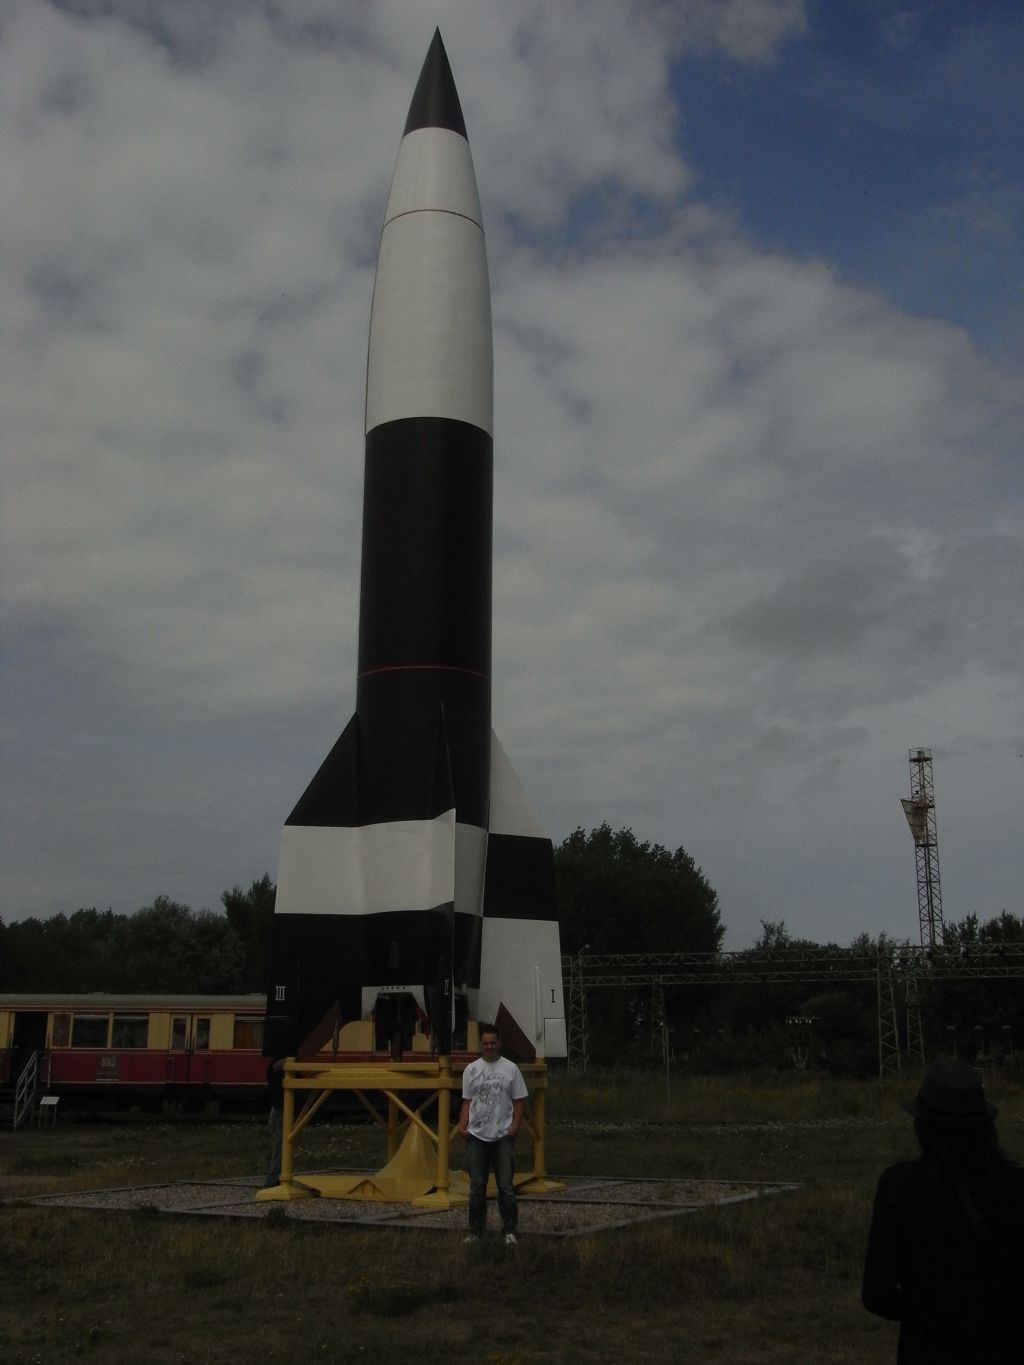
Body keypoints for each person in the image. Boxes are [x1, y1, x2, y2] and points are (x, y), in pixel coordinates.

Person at [862, 1057, 1024, 1364]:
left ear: (923, 1126)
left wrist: (928, 1311)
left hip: (926, 1350)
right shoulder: (1016, 1187)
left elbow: (877, 1293)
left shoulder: (899, 1186)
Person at [458, 1023, 528, 1244]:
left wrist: (515, 1126)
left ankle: (510, 1230)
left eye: (493, 1043)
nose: (489, 1047)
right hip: (477, 1136)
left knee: (506, 1186)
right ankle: (476, 1230)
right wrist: (462, 1124)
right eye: (485, 1043)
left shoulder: (511, 1069)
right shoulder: (471, 1069)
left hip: (502, 1135)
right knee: (477, 1186)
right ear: (481, 1044)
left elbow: (518, 1100)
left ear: (499, 1043)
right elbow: (467, 1101)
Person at [264, 1056, 285, 1188]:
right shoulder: (280, 1067)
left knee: (280, 1144)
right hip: (280, 1107)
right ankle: (273, 1178)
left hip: (277, 1107)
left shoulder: (273, 1069)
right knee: (280, 1144)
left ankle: (275, 1177)